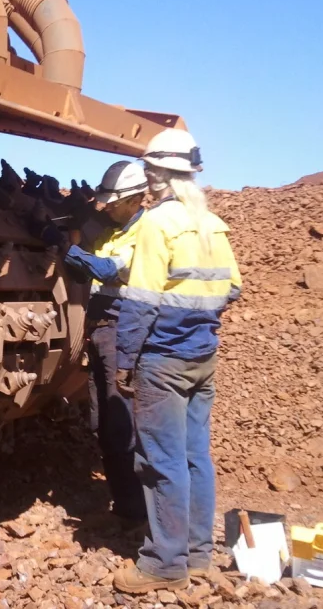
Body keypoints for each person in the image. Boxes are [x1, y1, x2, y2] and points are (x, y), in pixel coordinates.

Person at [112, 129, 242, 593]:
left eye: (150, 172)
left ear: (161, 173)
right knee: (194, 457)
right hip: (203, 356)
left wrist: (125, 359)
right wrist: (197, 321)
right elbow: (232, 288)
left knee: (160, 461)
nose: (148, 180)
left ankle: (163, 563)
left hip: (163, 359)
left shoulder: (156, 222)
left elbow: (141, 300)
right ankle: (197, 554)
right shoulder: (212, 223)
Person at [60, 161, 149, 526]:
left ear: (136, 198)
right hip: (100, 329)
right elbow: (93, 266)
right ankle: (125, 504)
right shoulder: (115, 230)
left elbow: (109, 270)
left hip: (120, 327)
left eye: (114, 202)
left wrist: (68, 250)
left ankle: (138, 509)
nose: (108, 207)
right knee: (103, 420)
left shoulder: (145, 231)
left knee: (121, 419)